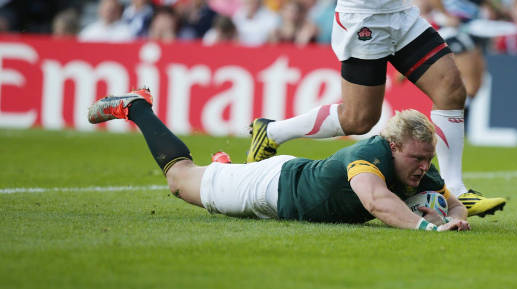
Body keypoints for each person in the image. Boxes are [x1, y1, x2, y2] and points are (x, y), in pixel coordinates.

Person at [244, 0, 507, 218]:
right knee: (359, 119)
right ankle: (271, 132)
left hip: (400, 14)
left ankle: (456, 188)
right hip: (364, 18)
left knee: (452, 90)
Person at [87, 88, 471, 231]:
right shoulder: (369, 152)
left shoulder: (419, 166)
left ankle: (224, 167)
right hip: (271, 188)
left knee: (206, 181)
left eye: (427, 158)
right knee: (179, 180)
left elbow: (454, 202)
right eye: (418, 158)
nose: (424, 167)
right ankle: (137, 108)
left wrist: (454, 219)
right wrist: (427, 229)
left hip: (286, 184)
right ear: (393, 146)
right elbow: (375, 201)